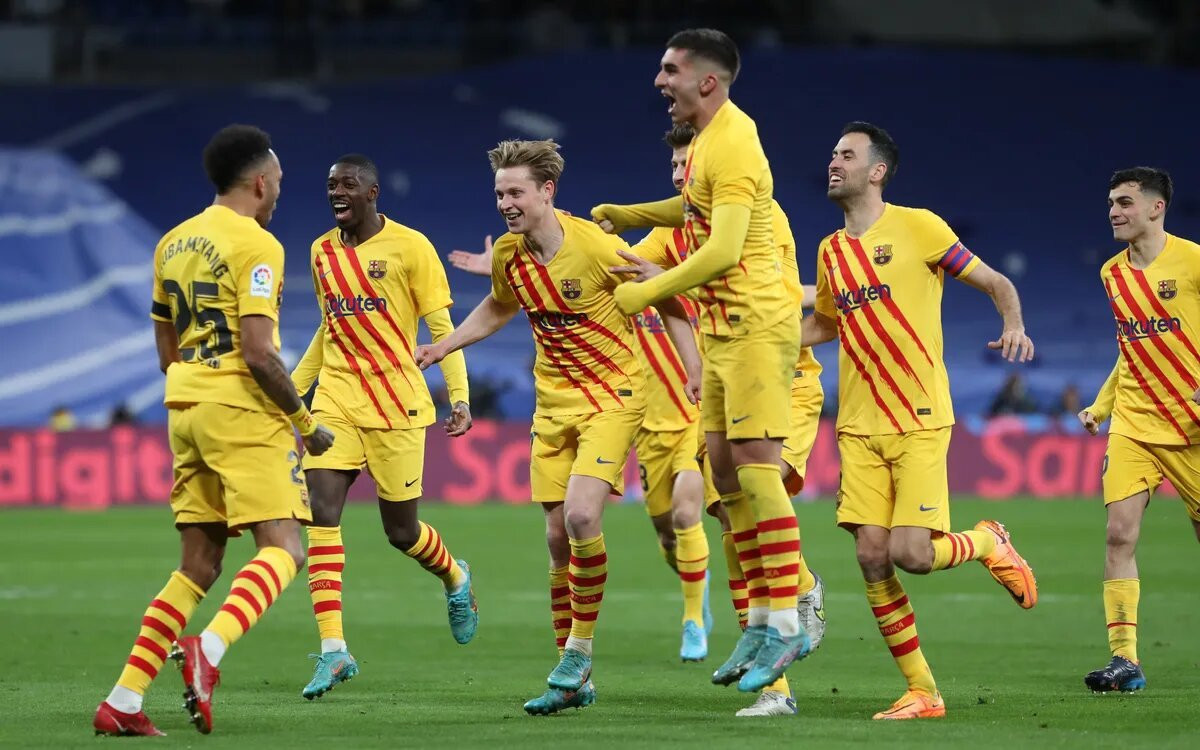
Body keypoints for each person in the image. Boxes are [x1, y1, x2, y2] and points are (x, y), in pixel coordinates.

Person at [417, 138, 702, 716]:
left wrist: (692, 366)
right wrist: (445, 344)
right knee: (554, 541)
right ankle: (572, 677)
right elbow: (500, 305)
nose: (505, 203)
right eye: (499, 193)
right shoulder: (510, 257)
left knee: (579, 517)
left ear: (547, 191)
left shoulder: (597, 247)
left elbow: (666, 298)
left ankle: (579, 649)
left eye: (516, 192)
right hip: (551, 406)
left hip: (613, 397)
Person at [591, 28, 816, 693]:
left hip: (756, 325)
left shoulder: (736, 140)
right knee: (721, 475)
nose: (659, 82)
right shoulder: (704, 144)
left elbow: (721, 249)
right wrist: (627, 213)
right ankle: (757, 619)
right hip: (722, 331)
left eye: (669, 70)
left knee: (754, 467)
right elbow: (692, 209)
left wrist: (646, 292)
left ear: (707, 80)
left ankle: (786, 619)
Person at [93, 124, 334, 737]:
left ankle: (122, 700)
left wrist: (199, 386)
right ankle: (211, 650)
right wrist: (304, 424)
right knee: (284, 549)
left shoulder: (173, 242)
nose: (279, 193)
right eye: (277, 182)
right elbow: (258, 351)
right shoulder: (257, 245)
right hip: (242, 409)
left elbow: (165, 347)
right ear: (259, 182)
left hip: (186, 407)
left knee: (198, 565)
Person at [799, 121, 1038, 720]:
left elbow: (995, 281)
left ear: (877, 171)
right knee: (871, 557)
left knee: (911, 553)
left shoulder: (920, 226)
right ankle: (922, 691)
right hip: (856, 424)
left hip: (918, 415)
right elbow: (827, 324)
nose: (834, 162)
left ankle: (988, 541)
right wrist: (766, 344)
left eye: (846, 155)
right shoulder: (831, 250)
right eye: (832, 154)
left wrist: (1012, 324)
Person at [288, 154, 478, 700]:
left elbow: (444, 328)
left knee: (402, 533)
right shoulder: (321, 252)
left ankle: (455, 577)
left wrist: (459, 398)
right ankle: (334, 650)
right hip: (337, 402)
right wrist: (291, 395)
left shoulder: (412, 248)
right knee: (321, 515)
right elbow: (329, 332)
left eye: (346, 184)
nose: (335, 193)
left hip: (397, 405)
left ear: (372, 192)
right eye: (329, 186)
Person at [1077, 167, 1200, 693]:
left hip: (1191, 427)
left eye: (1125, 202)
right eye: (1110, 203)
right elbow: (1132, 350)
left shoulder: (1192, 261)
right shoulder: (1111, 273)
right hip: (1134, 423)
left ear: (1157, 208)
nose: (1114, 212)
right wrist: (1102, 405)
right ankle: (1124, 659)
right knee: (1118, 534)